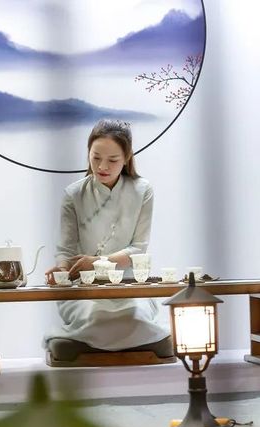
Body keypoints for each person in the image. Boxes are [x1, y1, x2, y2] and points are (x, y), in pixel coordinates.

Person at [43, 119, 172, 361]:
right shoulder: (73, 194)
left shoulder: (142, 190)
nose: (102, 166)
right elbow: (65, 250)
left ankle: (79, 341)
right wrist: (61, 269)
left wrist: (97, 262)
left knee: (133, 314)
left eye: (112, 160)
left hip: (129, 285)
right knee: (96, 316)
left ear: (127, 157)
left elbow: (138, 250)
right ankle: (140, 340)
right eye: (96, 158)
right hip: (84, 288)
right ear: (88, 154)